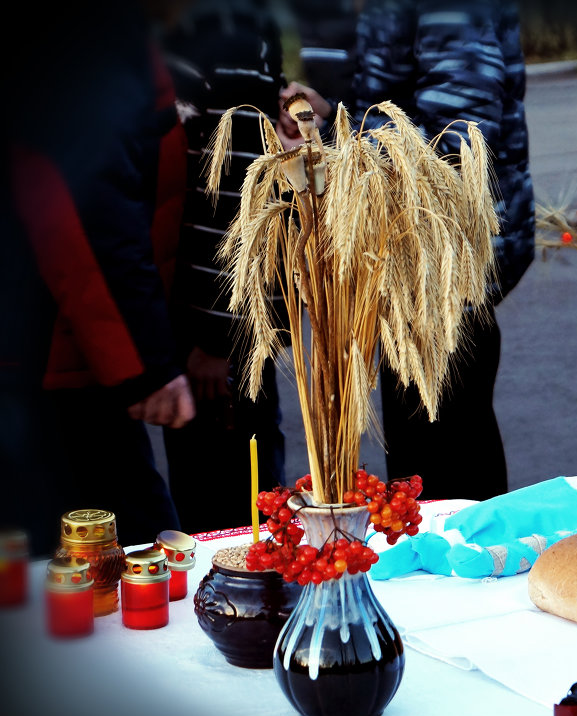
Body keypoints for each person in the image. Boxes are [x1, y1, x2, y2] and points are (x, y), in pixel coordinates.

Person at [278, 0, 534, 501]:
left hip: (443, 262)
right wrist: (329, 117)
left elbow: (458, 144)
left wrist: (340, 137)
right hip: (406, 257)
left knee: (445, 464)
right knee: (420, 457)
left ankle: (475, 572)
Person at [2, 1, 194, 556]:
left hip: (79, 354)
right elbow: (84, 204)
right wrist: (147, 367)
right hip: (53, 358)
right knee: (136, 556)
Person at [157, 0, 290, 534]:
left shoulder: (226, 36)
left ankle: (251, 608)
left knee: (232, 509)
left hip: (220, 323)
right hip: (197, 316)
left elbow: (236, 194)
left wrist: (215, 339)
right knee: (207, 490)